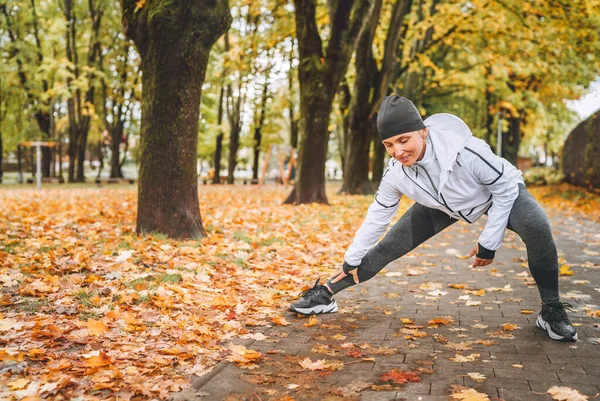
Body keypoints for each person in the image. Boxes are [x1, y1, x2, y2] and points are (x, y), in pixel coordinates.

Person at [290, 95, 577, 342]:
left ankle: (551, 310)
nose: (398, 151)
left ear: (423, 132)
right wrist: (351, 258)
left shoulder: (466, 151)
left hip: (497, 193)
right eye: (389, 144)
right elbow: (378, 215)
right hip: (442, 205)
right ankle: (325, 294)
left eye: (404, 140)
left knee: (537, 226)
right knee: (385, 248)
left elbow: (503, 189)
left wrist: (489, 241)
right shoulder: (396, 172)